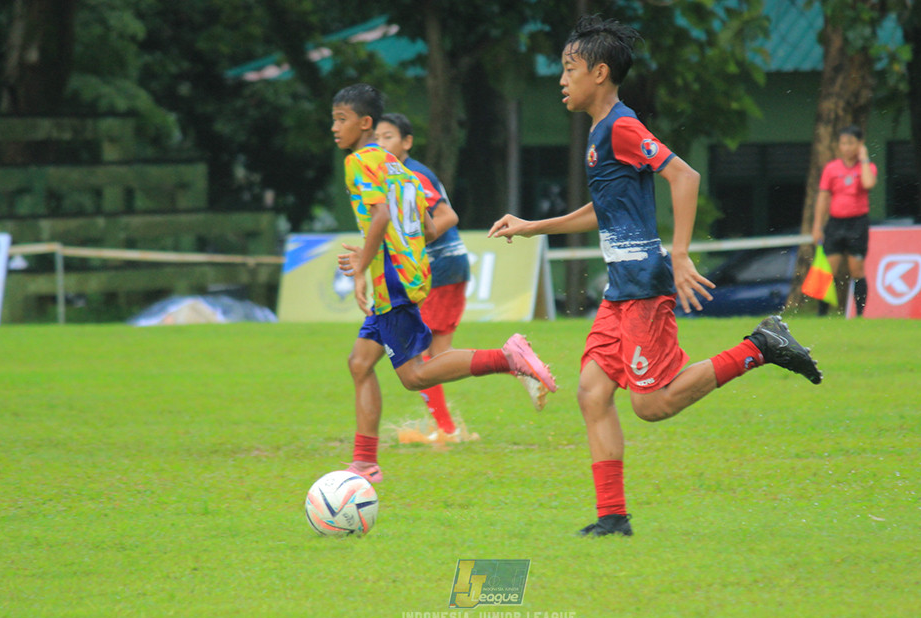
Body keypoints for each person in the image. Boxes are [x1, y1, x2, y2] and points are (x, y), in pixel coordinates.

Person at [488, 16, 823, 537]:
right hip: (620, 290)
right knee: (592, 392)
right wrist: (534, 227)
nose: (562, 79)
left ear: (600, 73)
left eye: (570, 69)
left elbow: (683, 175)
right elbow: (603, 209)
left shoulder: (621, 127)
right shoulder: (601, 132)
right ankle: (612, 518)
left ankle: (761, 346)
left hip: (643, 285)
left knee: (651, 403)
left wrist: (681, 254)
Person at [331, 83, 557, 484]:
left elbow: (380, 216)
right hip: (408, 274)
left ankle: (508, 358)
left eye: (341, 119)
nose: (334, 127)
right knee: (360, 363)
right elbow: (431, 228)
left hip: (392, 282)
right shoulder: (399, 167)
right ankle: (365, 462)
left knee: (415, 374)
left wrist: (364, 266)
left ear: (364, 123)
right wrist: (382, 250)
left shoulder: (358, 162)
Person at [375, 113, 548, 441]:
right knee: (435, 355)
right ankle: (448, 428)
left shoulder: (411, 174)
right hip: (443, 267)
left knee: (418, 358)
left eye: (388, 137)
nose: (380, 144)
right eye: (377, 138)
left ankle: (504, 364)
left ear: (407, 142)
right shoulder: (395, 175)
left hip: (437, 267)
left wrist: (408, 248)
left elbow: (447, 216)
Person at [811, 125, 878, 317]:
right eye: (843, 143)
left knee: (856, 269)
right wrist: (817, 225)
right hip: (835, 223)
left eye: (851, 143)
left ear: (860, 144)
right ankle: (822, 314)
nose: (847, 147)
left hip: (857, 223)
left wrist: (864, 158)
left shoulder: (868, 167)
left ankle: (859, 315)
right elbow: (823, 197)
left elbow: (868, 183)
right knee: (828, 268)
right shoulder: (831, 168)